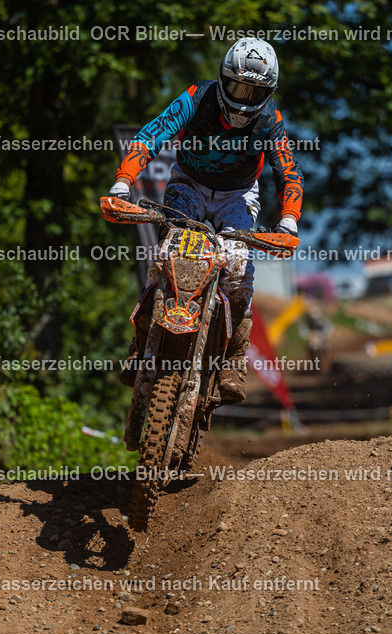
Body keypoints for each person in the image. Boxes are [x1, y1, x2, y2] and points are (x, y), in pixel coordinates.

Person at [110, 38, 304, 403]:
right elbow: (155, 132)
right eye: (237, 86)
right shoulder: (198, 97)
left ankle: (233, 359)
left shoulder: (270, 119)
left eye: (254, 91)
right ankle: (140, 346)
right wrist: (123, 183)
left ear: (269, 91)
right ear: (222, 78)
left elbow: (288, 172)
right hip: (189, 184)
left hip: (238, 196)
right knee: (166, 258)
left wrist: (289, 223)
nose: (244, 98)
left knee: (237, 267)